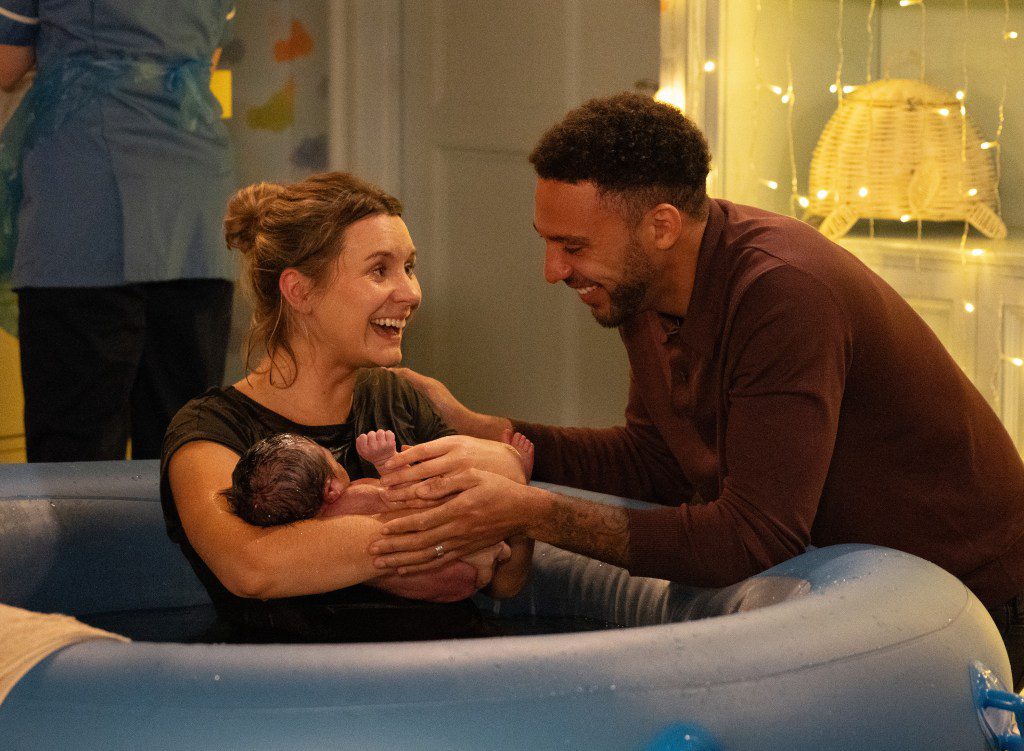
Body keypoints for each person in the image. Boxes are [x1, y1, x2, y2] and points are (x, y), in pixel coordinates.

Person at [368, 92, 1024, 687]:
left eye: (572, 246)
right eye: (548, 243)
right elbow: (659, 462)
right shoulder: (644, 287)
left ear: (660, 226)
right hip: (854, 586)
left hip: (969, 607)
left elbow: (749, 540)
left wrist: (529, 511)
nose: (553, 271)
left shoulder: (784, 297)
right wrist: (483, 428)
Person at [161, 171, 528, 643]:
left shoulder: (399, 401)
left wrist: (324, 544)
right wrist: (442, 530)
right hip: (299, 696)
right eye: (380, 270)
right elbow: (253, 566)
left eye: (409, 268)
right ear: (299, 291)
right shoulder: (210, 432)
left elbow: (505, 577)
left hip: (451, 669)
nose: (412, 293)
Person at [0, 1, 237, 461]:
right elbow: (205, 62)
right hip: (193, 209)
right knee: (184, 447)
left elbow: (6, 65)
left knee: (76, 453)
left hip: (83, 204)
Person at [223, 430, 533, 600]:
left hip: (451, 584)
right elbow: (406, 498)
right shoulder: (353, 499)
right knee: (449, 494)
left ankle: (509, 515)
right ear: (330, 490)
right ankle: (519, 487)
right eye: (329, 457)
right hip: (464, 559)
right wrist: (385, 461)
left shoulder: (313, 542)